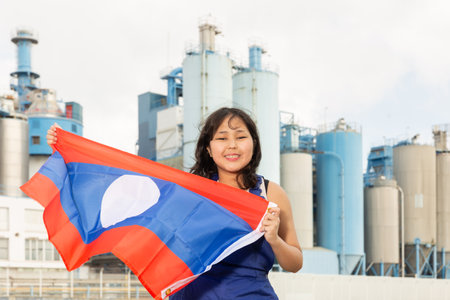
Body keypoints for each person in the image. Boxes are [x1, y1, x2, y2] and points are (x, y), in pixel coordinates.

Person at [46, 107, 303, 299]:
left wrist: (274, 240)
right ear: (208, 149)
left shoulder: (270, 193)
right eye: (222, 138)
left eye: (240, 137)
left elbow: (295, 264)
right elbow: (130, 187)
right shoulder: (188, 192)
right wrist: (68, 151)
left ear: (254, 143)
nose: (232, 145)